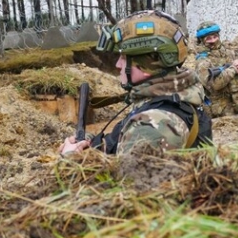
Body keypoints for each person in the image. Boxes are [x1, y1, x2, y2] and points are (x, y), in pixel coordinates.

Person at [59, 10, 212, 156]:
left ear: (150, 62)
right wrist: (91, 143)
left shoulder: (153, 125)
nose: (118, 64)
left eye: (124, 58)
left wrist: (71, 158)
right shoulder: (175, 94)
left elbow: (130, 181)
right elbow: (122, 146)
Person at [194, 21, 238, 118]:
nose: (213, 40)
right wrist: (233, 69)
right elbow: (214, 85)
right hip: (223, 110)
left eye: (215, 36)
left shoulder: (230, 53)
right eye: (208, 39)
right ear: (202, 41)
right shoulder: (202, 61)